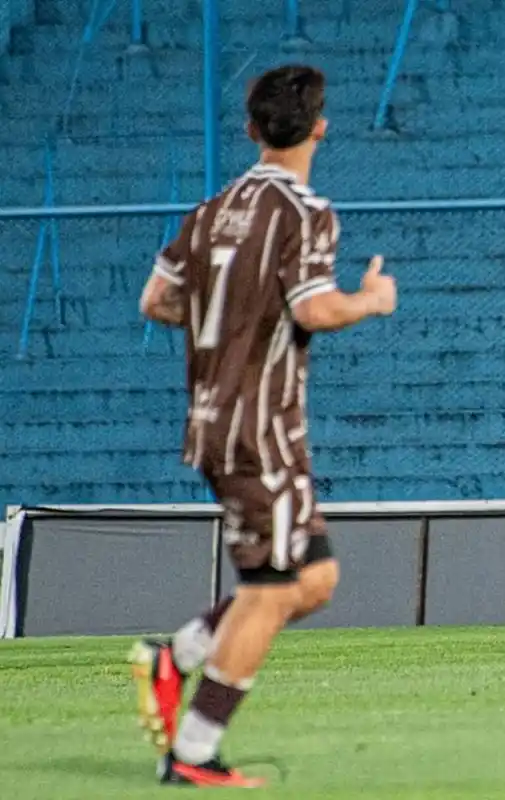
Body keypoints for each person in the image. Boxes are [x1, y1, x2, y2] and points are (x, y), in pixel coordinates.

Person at [130, 64, 397, 788]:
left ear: (249, 130)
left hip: (217, 419)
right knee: (275, 589)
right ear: (320, 127)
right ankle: (192, 751)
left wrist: (229, 313)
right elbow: (314, 309)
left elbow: (157, 300)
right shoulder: (307, 212)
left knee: (313, 579)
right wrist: (371, 299)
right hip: (260, 428)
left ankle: (176, 655)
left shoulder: (210, 210)